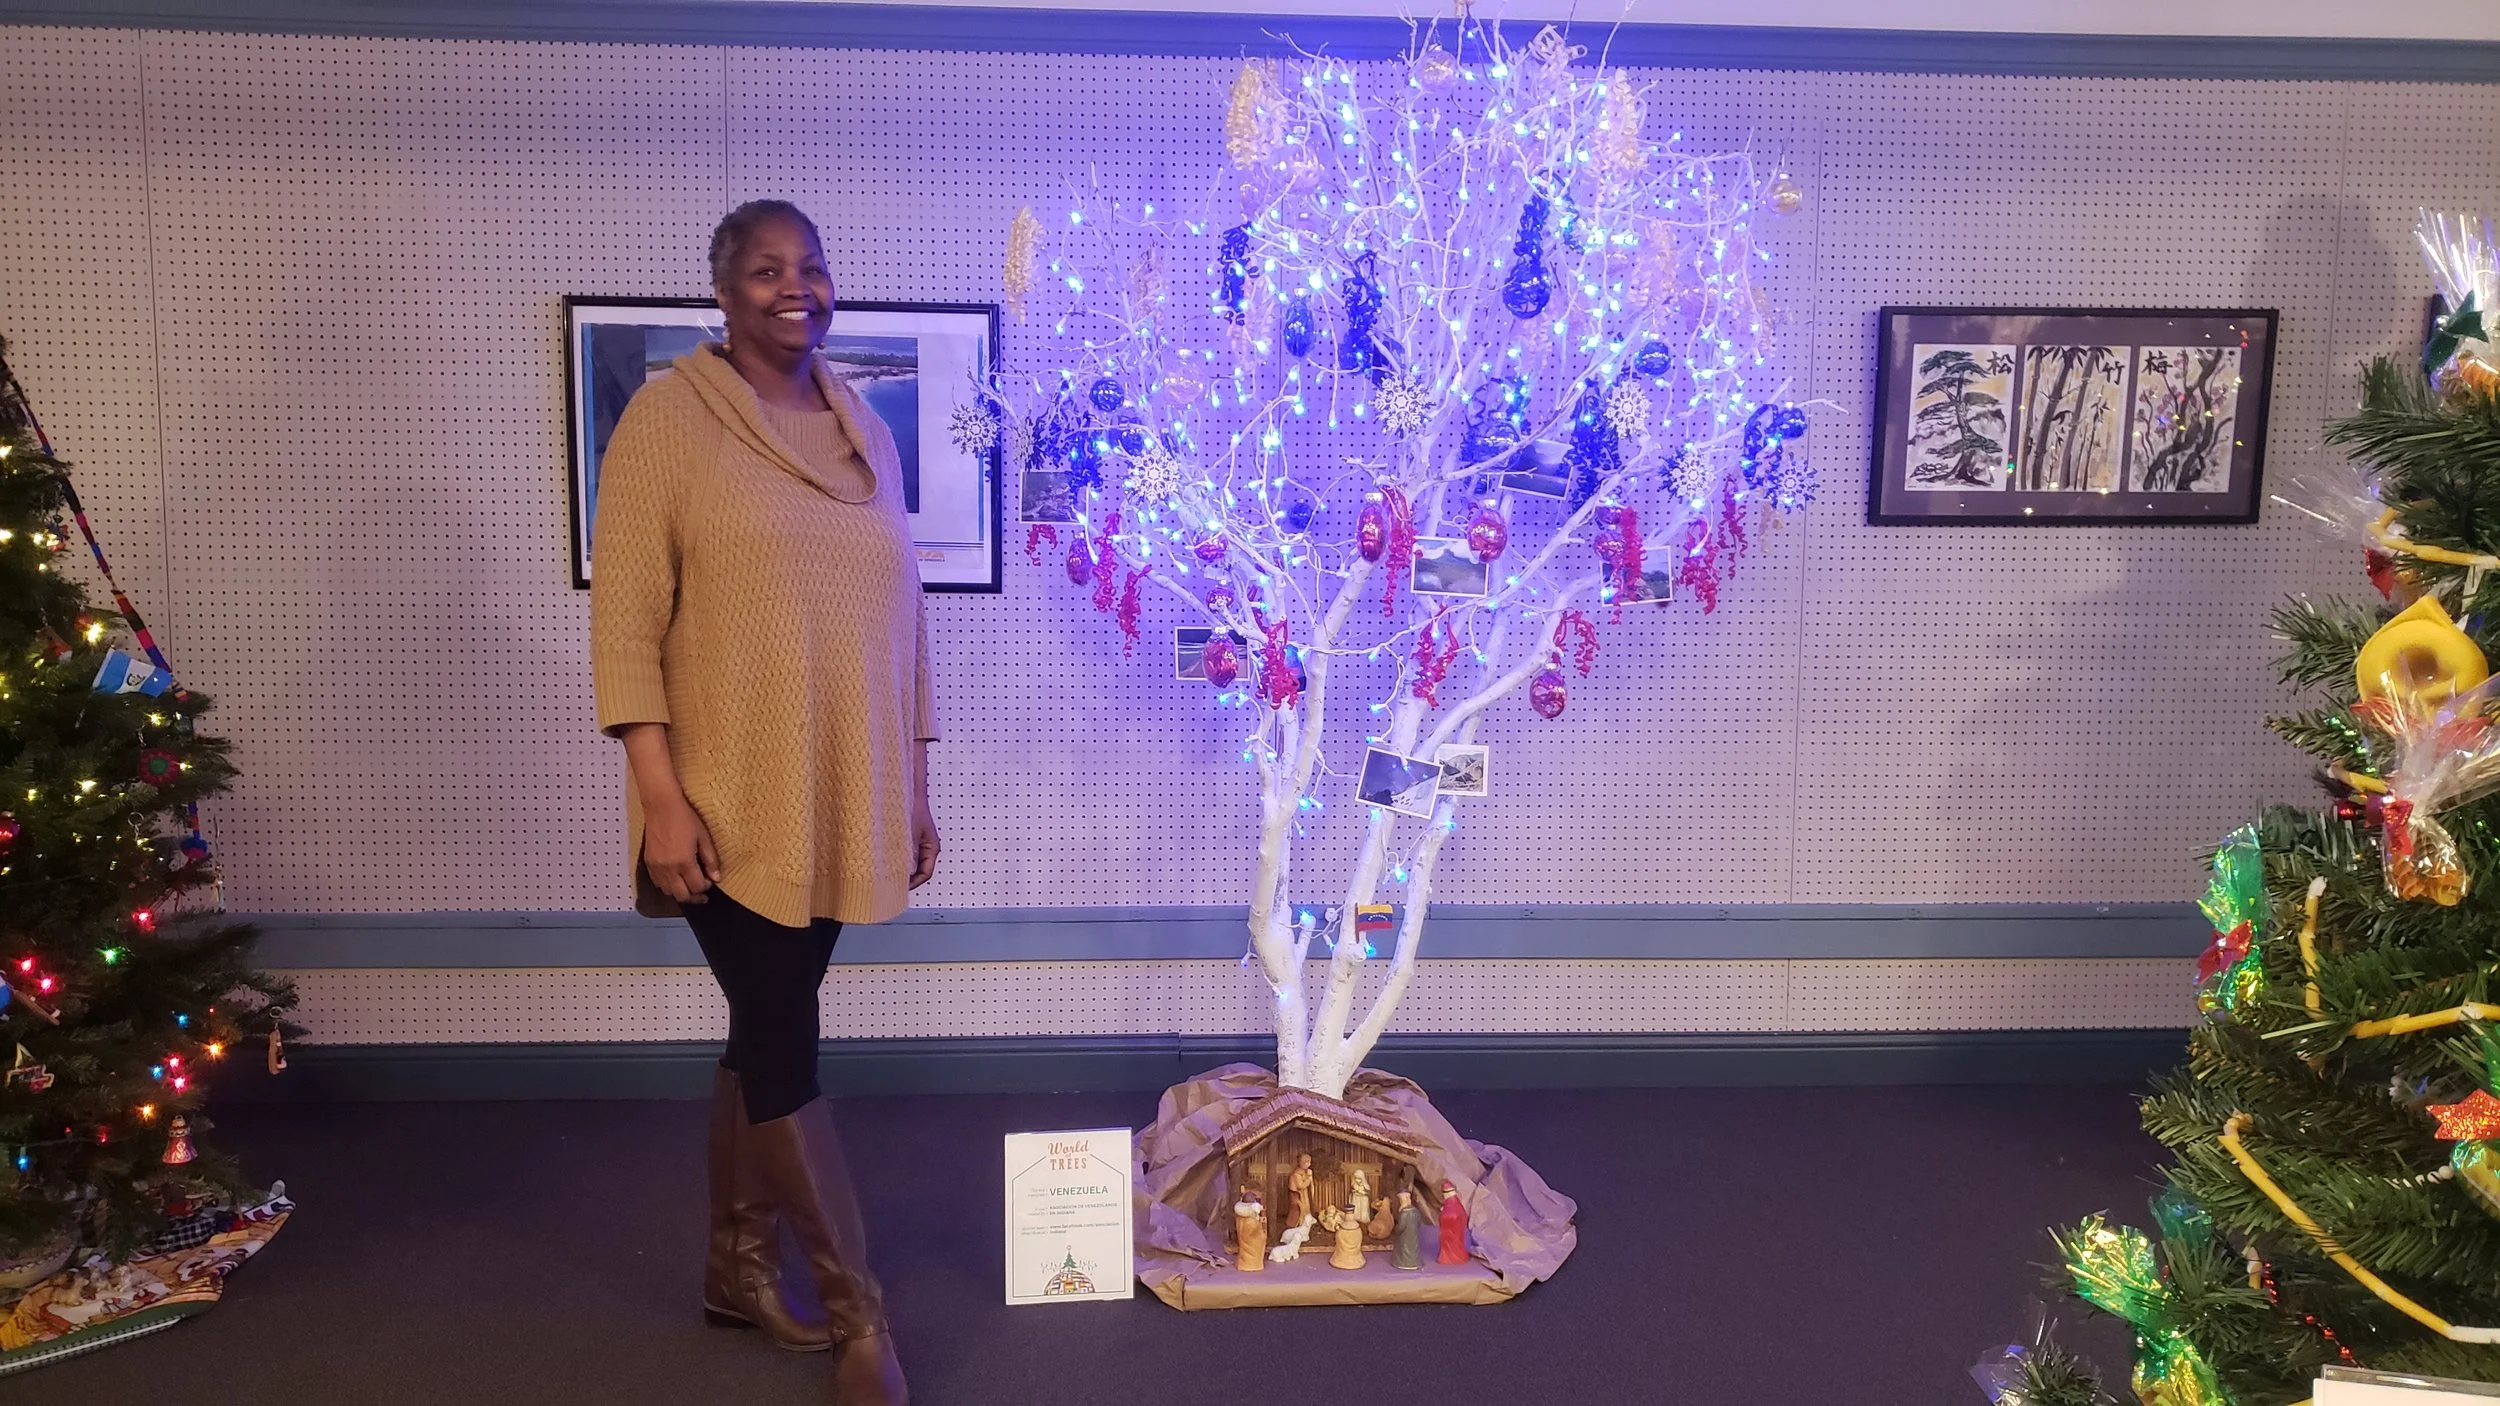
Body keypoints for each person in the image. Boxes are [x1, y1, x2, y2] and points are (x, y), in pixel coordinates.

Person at [591, 199, 935, 1405]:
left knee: (763, 1022)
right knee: (784, 1037)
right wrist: (660, 798)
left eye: (813, 267)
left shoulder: (863, 430)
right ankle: (859, 1316)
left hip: (843, 788)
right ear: (724, 292)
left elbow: (906, 621)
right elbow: (626, 625)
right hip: (722, 802)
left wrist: (915, 782)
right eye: (767, 269)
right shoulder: (667, 421)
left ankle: (734, 1267)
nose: (797, 286)